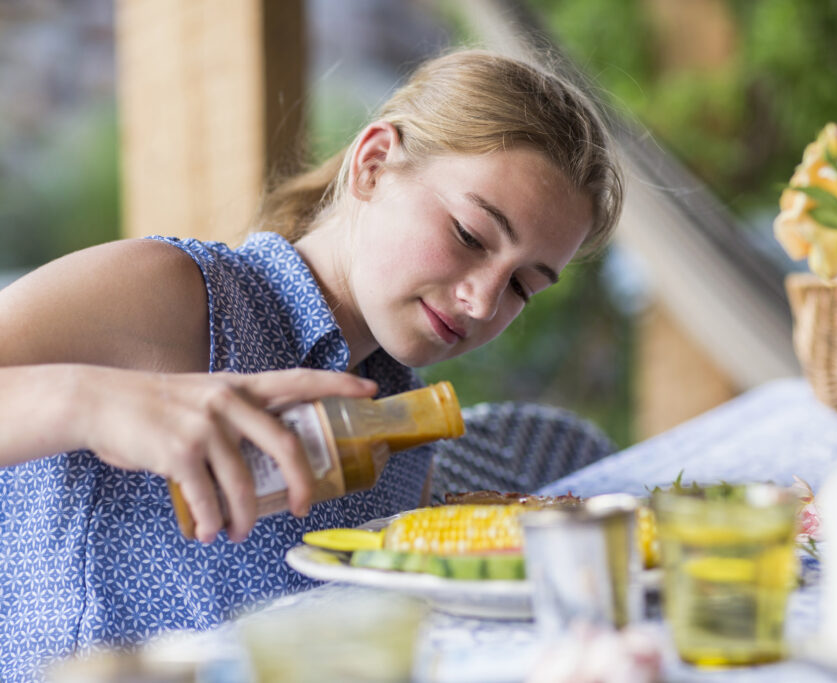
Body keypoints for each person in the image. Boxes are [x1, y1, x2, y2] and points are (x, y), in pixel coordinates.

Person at [0, 49, 623, 680]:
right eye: (468, 235)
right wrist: (87, 402)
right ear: (373, 164)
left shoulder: (401, 442)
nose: (483, 301)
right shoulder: (179, 294)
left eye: (522, 286)